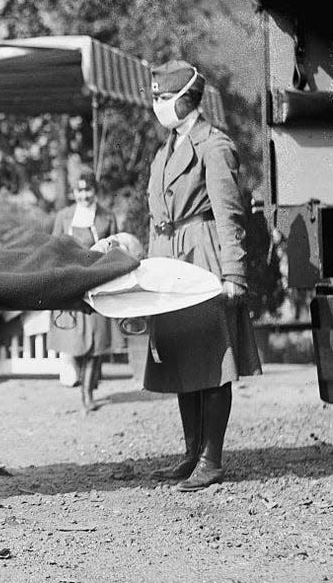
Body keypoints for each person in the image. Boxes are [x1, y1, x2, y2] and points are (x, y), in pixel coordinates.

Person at [145, 60, 260, 491]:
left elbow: (230, 213)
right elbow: (157, 214)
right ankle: (191, 453)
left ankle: (211, 459)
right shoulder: (167, 148)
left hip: (204, 257)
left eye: (162, 98)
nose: (156, 105)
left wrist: (234, 274)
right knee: (182, 360)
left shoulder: (214, 145)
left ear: (185, 99)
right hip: (169, 258)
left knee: (212, 361)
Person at [48, 168, 119, 411]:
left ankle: (87, 395)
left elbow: (116, 251)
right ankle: (81, 380)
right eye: (80, 191)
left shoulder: (106, 217)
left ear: (95, 191)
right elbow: (52, 249)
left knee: (96, 341)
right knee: (74, 339)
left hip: (97, 283)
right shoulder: (64, 217)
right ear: (73, 193)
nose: (84, 196)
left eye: (88, 190)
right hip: (70, 285)